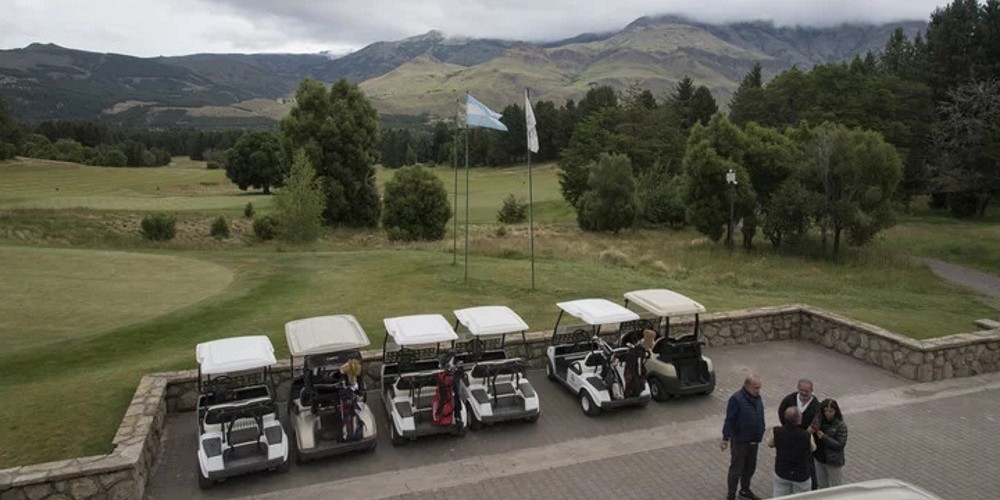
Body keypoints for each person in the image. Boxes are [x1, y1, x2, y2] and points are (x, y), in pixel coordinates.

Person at [722, 375, 765, 500]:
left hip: (754, 440)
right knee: (736, 469)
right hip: (740, 441)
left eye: (759, 388)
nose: (758, 390)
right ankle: (731, 495)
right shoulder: (736, 399)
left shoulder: (757, 398)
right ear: (747, 386)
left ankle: (745, 491)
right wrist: (725, 438)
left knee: (750, 468)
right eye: (755, 388)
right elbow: (729, 419)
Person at [778, 379, 819, 489]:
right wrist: (787, 426)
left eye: (807, 391)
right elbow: (781, 412)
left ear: (812, 390)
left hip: (805, 437)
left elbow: (818, 419)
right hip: (790, 435)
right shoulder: (789, 399)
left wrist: (809, 431)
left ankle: (812, 487)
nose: (804, 393)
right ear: (798, 389)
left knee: (808, 463)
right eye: (802, 390)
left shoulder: (815, 404)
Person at [767, 407, 817, 497]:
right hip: (801, 474)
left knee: (780, 496)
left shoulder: (776, 431)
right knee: (803, 497)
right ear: (799, 420)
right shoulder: (806, 435)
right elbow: (813, 448)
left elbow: (770, 444)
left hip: (782, 472)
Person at [812, 398, 848, 488]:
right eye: (825, 411)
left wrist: (824, 437)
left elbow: (840, 445)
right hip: (819, 458)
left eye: (831, 411)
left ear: (836, 411)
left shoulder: (840, 425)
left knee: (836, 486)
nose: (828, 413)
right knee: (822, 485)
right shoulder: (819, 420)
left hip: (833, 460)